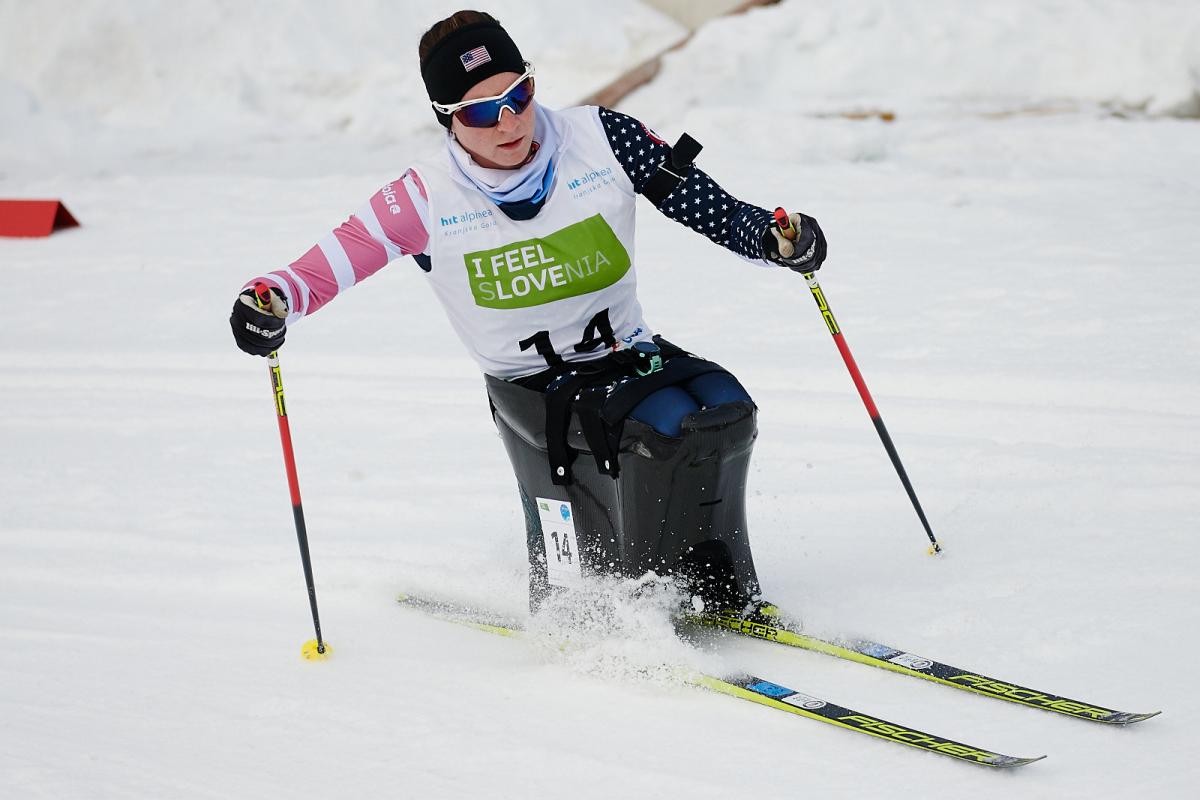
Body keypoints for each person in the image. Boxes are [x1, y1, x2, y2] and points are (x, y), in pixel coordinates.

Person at [230, 10, 826, 615]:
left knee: (720, 404)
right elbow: (315, 271)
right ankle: (636, 606)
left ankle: (719, 586)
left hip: (627, 354)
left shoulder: (599, 137)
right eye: (481, 111)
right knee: (664, 428)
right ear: (446, 119)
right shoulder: (422, 195)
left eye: (519, 95)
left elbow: (712, 207)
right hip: (532, 388)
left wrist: (775, 239)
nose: (508, 120)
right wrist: (269, 303)